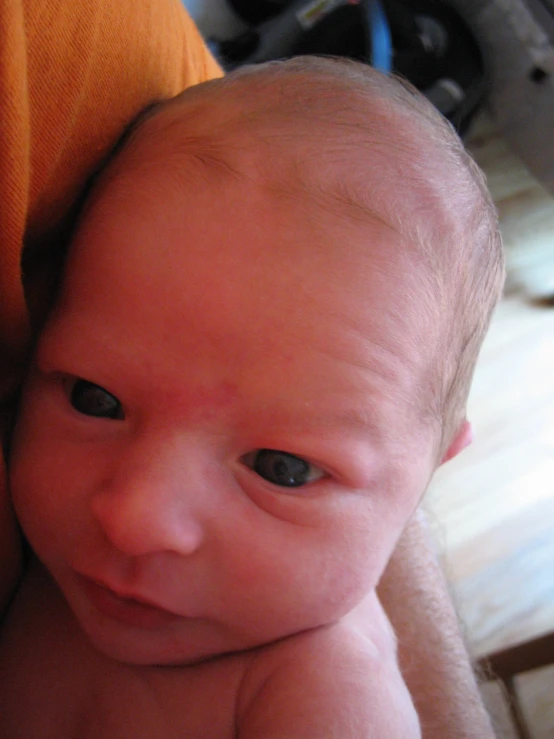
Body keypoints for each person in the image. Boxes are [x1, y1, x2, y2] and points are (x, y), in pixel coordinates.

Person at [0, 56, 504, 737]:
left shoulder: (322, 698)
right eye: (94, 399)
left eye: (281, 469)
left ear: (432, 471)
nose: (136, 517)